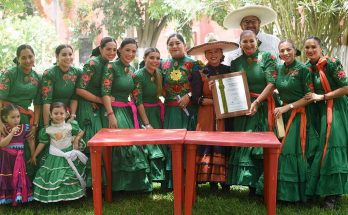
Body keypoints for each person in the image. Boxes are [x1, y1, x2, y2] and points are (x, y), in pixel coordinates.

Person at [227, 30, 277, 196]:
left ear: (257, 42)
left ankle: (264, 185)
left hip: (262, 107)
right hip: (243, 109)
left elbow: (271, 84)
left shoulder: (268, 58)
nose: (248, 44)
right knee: (246, 146)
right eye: (244, 41)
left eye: (251, 41)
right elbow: (231, 85)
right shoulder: (235, 62)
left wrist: (257, 102)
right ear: (240, 44)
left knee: (260, 148)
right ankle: (252, 186)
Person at [186, 37, 238, 191]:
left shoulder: (229, 71)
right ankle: (210, 180)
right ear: (205, 55)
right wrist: (216, 101)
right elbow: (195, 98)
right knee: (207, 142)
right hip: (206, 113)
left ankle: (225, 181)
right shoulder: (199, 73)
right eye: (209, 52)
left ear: (222, 53)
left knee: (224, 141)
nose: (213, 54)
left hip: (226, 114)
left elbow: (235, 93)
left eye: (216, 51)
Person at [101, 38, 152, 192]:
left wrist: (146, 123)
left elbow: (137, 99)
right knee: (120, 147)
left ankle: (133, 186)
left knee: (133, 147)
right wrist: (111, 114)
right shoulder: (111, 67)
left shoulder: (131, 72)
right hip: (113, 111)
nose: (130, 54)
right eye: (127, 50)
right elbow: (105, 92)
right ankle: (117, 186)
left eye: (133, 51)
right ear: (120, 50)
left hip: (128, 112)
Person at [272, 39, 319, 202]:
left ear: (295, 51)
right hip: (283, 115)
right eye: (282, 50)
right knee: (280, 151)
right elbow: (274, 86)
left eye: (288, 50)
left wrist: (288, 107)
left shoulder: (303, 69)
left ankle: (297, 194)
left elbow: (309, 97)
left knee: (291, 151)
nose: (285, 53)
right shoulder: (278, 69)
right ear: (279, 53)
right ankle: (279, 192)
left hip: (300, 116)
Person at [303, 36, 348, 208]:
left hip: (335, 109)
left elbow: (345, 88)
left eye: (313, 47)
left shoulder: (332, 63)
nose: (310, 50)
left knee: (332, 149)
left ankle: (333, 195)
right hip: (317, 111)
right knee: (319, 149)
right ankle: (319, 190)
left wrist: (322, 96)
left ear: (321, 48)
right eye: (307, 47)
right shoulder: (308, 68)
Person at [161, 33, 203, 189]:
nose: (174, 46)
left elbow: (199, 88)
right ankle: (172, 181)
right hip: (170, 110)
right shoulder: (163, 64)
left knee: (187, 145)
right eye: (170, 44)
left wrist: (189, 96)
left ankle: (188, 180)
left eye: (177, 43)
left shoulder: (194, 64)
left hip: (188, 110)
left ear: (185, 45)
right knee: (171, 144)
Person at [76, 37, 117, 187]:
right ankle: (88, 184)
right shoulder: (92, 63)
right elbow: (79, 89)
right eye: (108, 49)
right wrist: (99, 100)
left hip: (99, 106)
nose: (112, 52)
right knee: (90, 142)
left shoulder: (110, 65)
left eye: (114, 50)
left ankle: (102, 183)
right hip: (87, 106)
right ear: (100, 49)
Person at [30, 102, 86, 203]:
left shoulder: (71, 126)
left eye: (61, 113)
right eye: (56, 113)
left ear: (66, 114)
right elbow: (42, 143)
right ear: (50, 115)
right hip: (54, 157)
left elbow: (81, 132)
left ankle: (69, 196)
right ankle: (56, 197)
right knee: (54, 176)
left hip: (69, 154)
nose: (59, 116)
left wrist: (77, 139)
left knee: (68, 175)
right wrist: (34, 155)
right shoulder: (48, 130)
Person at [0, 44, 41, 180]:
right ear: (18, 59)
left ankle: (25, 188)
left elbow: (38, 104)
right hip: (6, 117)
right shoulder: (9, 74)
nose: (28, 60)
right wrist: (0, 122)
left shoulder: (37, 77)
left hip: (24, 118)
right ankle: (7, 189)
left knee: (26, 151)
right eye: (23, 58)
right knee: (7, 151)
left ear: (34, 57)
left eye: (30, 56)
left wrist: (35, 126)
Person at [133, 47, 166, 183]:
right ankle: (148, 179)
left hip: (156, 111)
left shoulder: (158, 73)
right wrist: (146, 123)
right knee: (148, 145)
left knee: (159, 143)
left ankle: (161, 177)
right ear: (144, 59)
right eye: (151, 57)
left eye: (157, 58)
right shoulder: (138, 75)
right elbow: (138, 101)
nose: (155, 61)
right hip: (144, 113)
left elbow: (163, 93)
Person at [0, 104, 34, 205]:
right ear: (5, 118)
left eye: (18, 117)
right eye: (13, 117)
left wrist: (33, 155)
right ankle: (8, 198)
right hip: (6, 159)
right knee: (7, 176)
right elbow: (2, 144)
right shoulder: (3, 128)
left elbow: (30, 140)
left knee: (19, 176)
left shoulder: (24, 128)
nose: (16, 120)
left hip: (19, 159)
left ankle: (19, 196)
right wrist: (11, 133)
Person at [42, 44, 82, 128]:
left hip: (69, 113)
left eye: (70, 54)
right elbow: (46, 101)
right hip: (53, 115)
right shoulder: (49, 73)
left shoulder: (77, 72)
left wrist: (72, 116)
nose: (68, 57)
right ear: (57, 56)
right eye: (64, 55)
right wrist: (46, 126)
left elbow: (74, 97)